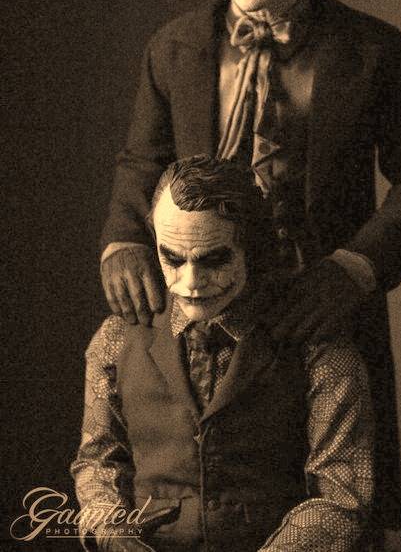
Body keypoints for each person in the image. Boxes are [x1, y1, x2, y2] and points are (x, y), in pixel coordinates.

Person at [99, 0, 401, 538]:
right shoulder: (172, 47)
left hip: (318, 319)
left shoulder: (376, 51)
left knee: (334, 515)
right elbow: (142, 160)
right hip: (203, 313)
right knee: (198, 497)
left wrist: (352, 270)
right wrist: (123, 238)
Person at [73, 156, 374, 552]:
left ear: (251, 247)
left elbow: (341, 492)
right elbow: (97, 461)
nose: (191, 283)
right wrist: (113, 534)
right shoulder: (116, 339)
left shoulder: (319, 345)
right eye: (172, 258)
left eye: (214, 259)